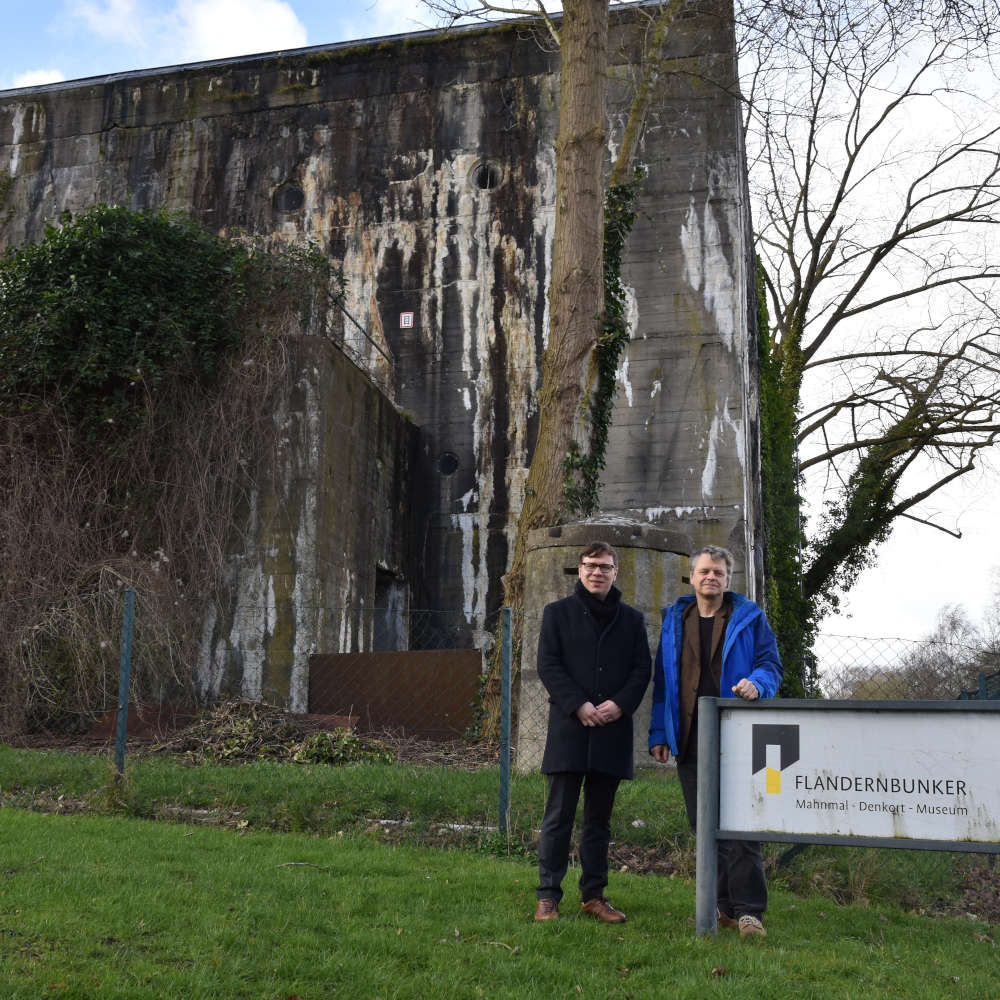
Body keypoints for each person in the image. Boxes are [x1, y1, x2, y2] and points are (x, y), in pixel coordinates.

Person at [648, 545, 783, 939]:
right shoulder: (675, 620)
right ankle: (722, 906)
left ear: (727, 579)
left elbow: (771, 665)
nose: (711, 577)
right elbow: (664, 685)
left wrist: (756, 685)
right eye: (704, 571)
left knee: (741, 824)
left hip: (738, 736)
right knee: (703, 824)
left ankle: (749, 913)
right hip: (689, 738)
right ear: (692, 577)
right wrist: (660, 733)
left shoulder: (750, 618)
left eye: (719, 573)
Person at [533, 541, 652, 923]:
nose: (597, 572)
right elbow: (548, 665)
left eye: (605, 566)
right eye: (590, 565)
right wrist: (578, 705)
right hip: (569, 729)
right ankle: (548, 896)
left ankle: (594, 896)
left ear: (616, 572)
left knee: (598, 822)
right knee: (558, 817)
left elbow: (641, 671)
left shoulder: (632, 620)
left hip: (611, 734)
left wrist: (619, 704)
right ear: (579, 570)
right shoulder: (557, 614)